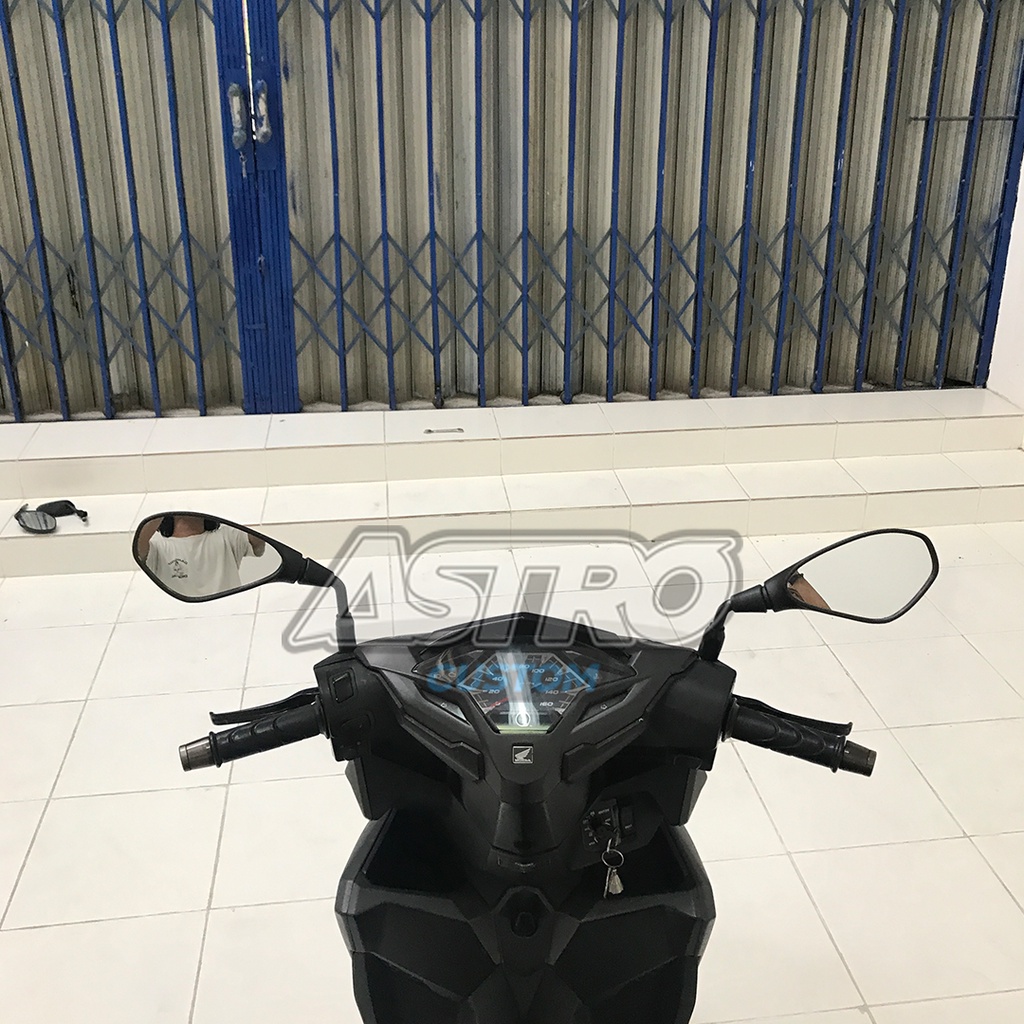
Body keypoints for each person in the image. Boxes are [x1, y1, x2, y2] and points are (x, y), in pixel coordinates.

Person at [136, 515, 266, 598]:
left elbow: (258, 544)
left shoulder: (228, 535)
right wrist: (164, 508)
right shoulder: (158, 547)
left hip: (227, 617)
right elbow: (138, 548)